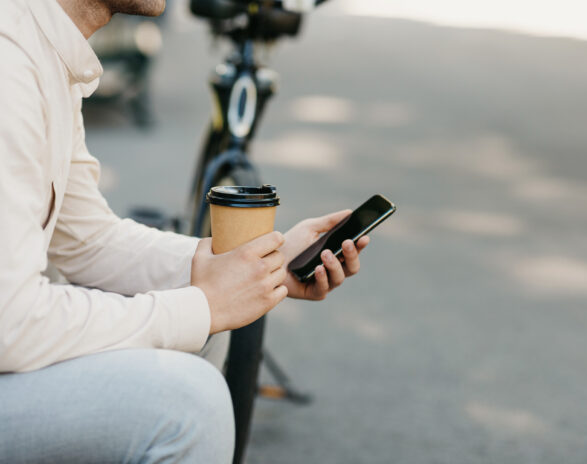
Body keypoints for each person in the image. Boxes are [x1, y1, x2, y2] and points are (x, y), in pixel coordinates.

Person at [0, 0, 369, 462]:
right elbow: (9, 323)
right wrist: (203, 305)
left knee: (211, 316)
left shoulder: (47, 49)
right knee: (189, 403)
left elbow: (87, 241)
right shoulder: (9, 66)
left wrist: (241, 267)